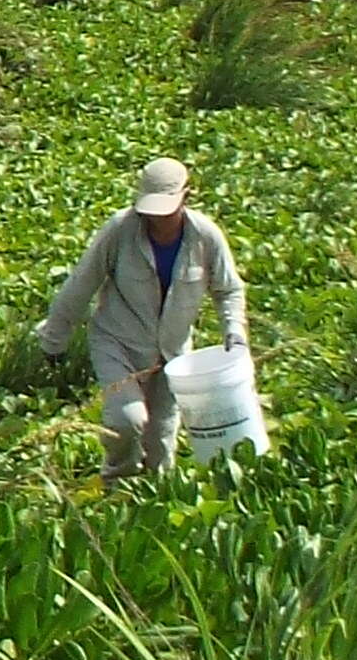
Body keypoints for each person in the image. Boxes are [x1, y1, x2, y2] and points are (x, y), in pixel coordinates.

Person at [37, 154, 245, 481]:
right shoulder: (120, 230)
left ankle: (150, 502)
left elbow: (228, 289)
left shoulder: (205, 236)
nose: (156, 219)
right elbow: (81, 284)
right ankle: (115, 486)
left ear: (186, 197)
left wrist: (234, 332)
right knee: (127, 419)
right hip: (117, 343)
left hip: (172, 354)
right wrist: (54, 340)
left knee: (161, 445)